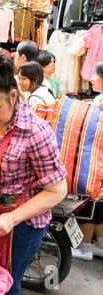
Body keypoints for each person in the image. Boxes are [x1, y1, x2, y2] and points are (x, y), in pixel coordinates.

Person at [0, 53, 67, 295]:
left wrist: (13, 217)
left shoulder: (36, 132)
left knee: (7, 284)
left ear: (13, 95)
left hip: (24, 225)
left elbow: (57, 190)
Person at [71, 61, 103, 260]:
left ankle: (84, 248)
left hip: (98, 160)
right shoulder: (99, 99)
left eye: (96, 75)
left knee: (93, 203)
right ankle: (98, 244)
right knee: (99, 203)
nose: (91, 79)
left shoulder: (100, 104)